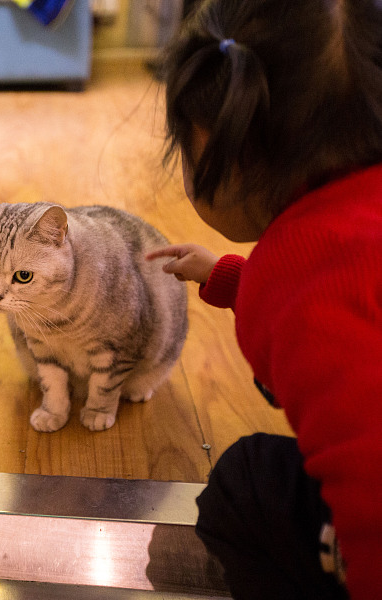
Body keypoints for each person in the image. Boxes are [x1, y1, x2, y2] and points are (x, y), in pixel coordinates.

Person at [145, 0, 382, 598]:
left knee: (245, 486)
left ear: (224, 148)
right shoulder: (342, 235)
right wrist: (228, 277)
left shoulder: (300, 287)